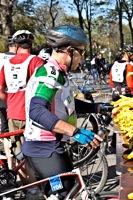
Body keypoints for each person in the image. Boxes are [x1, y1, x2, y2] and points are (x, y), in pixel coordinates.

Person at [22, 25, 103, 199]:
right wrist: (75, 131)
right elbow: (36, 111)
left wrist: (97, 107)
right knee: (63, 195)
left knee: (67, 191)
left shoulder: (58, 73)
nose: (82, 58)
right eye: (81, 52)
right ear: (69, 50)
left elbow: (68, 104)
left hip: (50, 146)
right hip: (45, 148)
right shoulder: (49, 75)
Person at [0, 30, 45, 198]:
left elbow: (1, 90)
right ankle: (41, 186)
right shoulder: (37, 61)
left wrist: (11, 102)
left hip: (13, 114)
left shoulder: (7, 64)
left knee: (20, 155)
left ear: (16, 45)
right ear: (31, 45)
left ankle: (31, 191)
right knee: (39, 152)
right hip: (34, 114)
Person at [0, 35, 16, 174]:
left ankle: (10, 167)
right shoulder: (19, 59)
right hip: (14, 101)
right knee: (16, 134)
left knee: (5, 133)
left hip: (1, 99)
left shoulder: (0, 57)